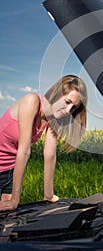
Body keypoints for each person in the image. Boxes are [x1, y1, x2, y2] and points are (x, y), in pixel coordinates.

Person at [0, 75, 87, 211]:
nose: (69, 110)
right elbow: (24, 150)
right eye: (67, 101)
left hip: (9, 171)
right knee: (11, 204)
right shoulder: (31, 101)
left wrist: (49, 195)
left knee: (6, 217)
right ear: (56, 93)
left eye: (73, 108)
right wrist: (15, 199)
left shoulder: (53, 118)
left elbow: (49, 154)